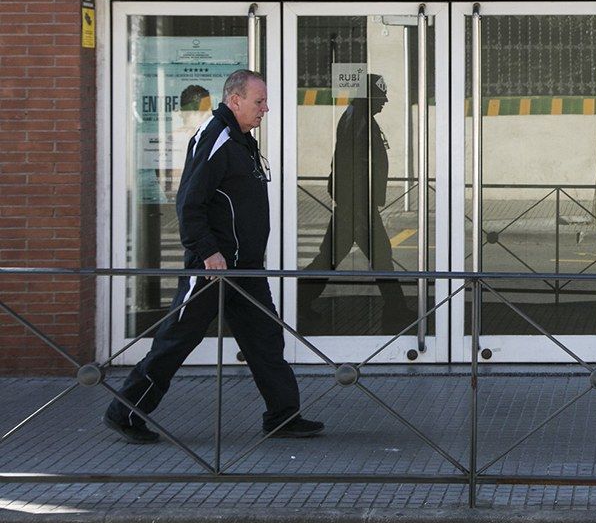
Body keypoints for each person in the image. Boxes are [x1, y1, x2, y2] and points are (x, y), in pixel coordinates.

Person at [104, 70, 323, 444]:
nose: (265, 109)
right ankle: (125, 412)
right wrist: (208, 252)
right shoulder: (216, 137)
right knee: (175, 340)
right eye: (259, 102)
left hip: (245, 271)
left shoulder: (241, 139)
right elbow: (189, 202)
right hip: (213, 270)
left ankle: (284, 417)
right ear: (234, 100)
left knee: (265, 340)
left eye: (265, 102)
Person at [303, 73, 411, 325]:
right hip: (357, 206)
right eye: (380, 97)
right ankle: (395, 310)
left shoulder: (358, 117)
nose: (384, 102)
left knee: (328, 259)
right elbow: (350, 164)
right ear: (368, 96)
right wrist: (356, 206)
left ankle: (297, 302)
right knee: (379, 256)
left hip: (356, 204)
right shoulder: (358, 120)